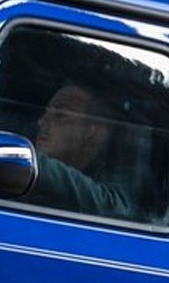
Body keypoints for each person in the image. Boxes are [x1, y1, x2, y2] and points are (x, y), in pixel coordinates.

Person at [26, 81, 142, 222]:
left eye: (60, 115)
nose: (42, 121)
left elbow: (118, 209)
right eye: (46, 112)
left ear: (94, 133)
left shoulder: (112, 189)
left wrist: (28, 161)